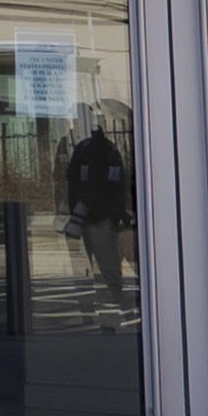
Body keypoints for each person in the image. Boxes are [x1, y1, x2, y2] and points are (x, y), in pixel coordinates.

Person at [62, 104, 136, 304]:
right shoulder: (99, 149)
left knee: (102, 267)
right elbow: (116, 184)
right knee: (104, 266)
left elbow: (78, 182)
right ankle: (110, 303)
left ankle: (109, 304)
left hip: (94, 216)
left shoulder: (91, 149)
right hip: (96, 216)